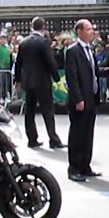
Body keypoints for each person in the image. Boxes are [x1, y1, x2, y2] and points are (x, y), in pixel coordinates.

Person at [14, 17, 65, 149]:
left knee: (29, 111)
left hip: (28, 80)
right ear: (43, 27)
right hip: (42, 81)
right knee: (47, 110)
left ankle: (32, 138)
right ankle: (53, 139)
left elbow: (18, 63)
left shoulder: (23, 42)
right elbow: (50, 61)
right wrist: (56, 77)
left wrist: (18, 80)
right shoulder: (43, 42)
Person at [65, 20, 105, 182]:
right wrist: (78, 98)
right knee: (77, 134)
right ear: (80, 31)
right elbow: (72, 77)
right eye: (88, 29)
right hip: (80, 99)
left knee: (88, 133)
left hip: (91, 98)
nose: (92, 32)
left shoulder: (91, 50)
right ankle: (74, 167)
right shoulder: (73, 51)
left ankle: (85, 165)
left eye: (92, 29)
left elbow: (93, 72)